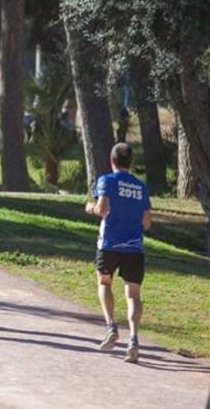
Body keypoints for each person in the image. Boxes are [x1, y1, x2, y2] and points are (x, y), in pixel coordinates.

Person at [85, 142, 152, 363]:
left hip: (109, 245)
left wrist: (90, 208)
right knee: (133, 294)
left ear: (112, 160)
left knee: (104, 283)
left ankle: (111, 327)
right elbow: (147, 222)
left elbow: (102, 209)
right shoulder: (141, 187)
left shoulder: (106, 181)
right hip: (134, 247)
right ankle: (134, 338)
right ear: (130, 163)